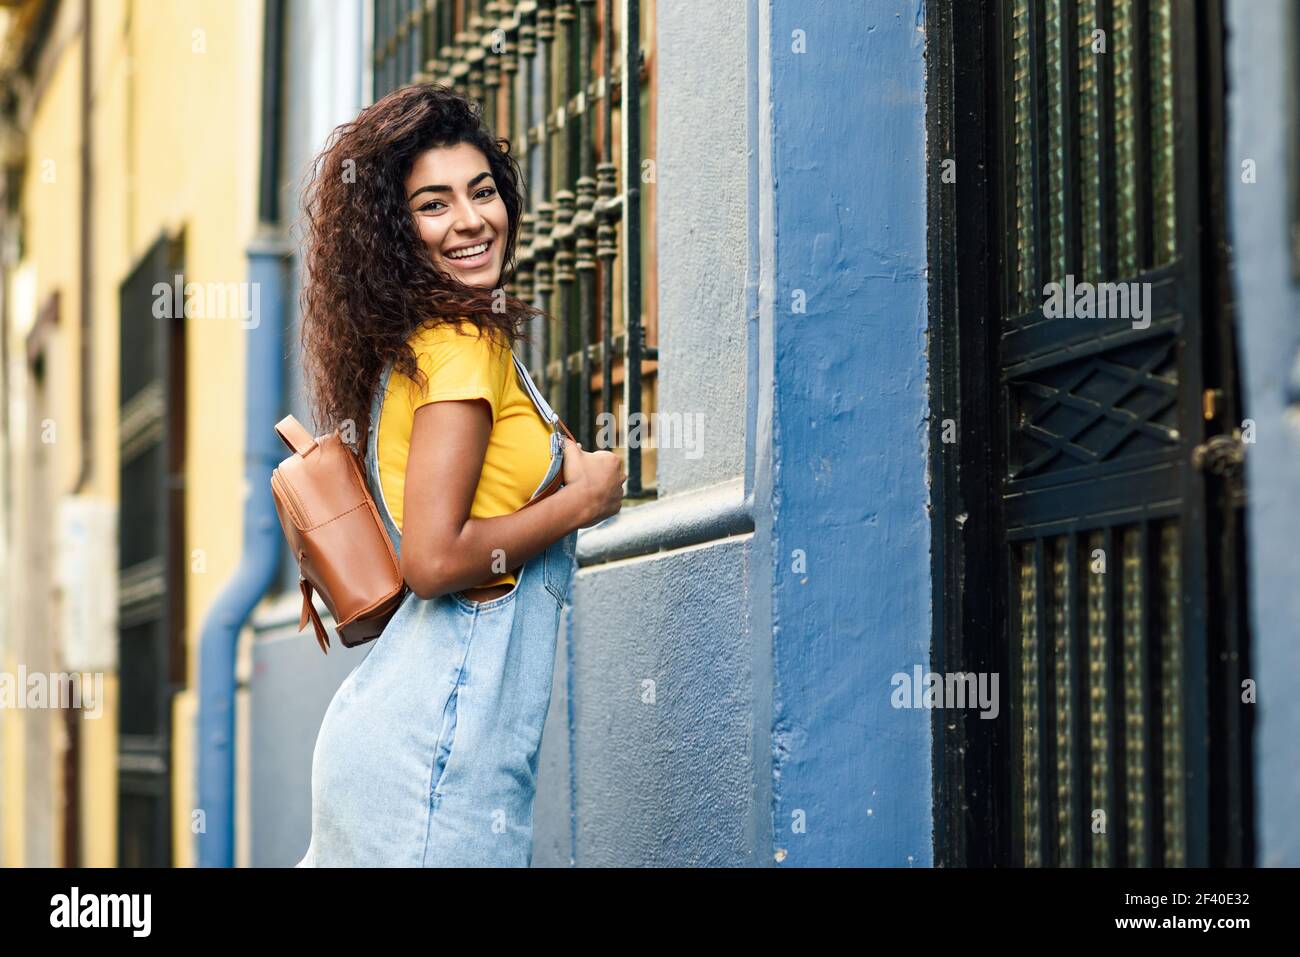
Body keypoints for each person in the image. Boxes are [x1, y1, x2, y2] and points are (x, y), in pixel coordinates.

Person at [293, 83, 625, 866]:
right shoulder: (459, 349)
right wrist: (583, 498)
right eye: (433, 205)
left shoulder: (442, 344)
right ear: (399, 234)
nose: (472, 220)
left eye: (482, 192)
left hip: (416, 744)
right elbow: (434, 561)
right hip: (433, 760)